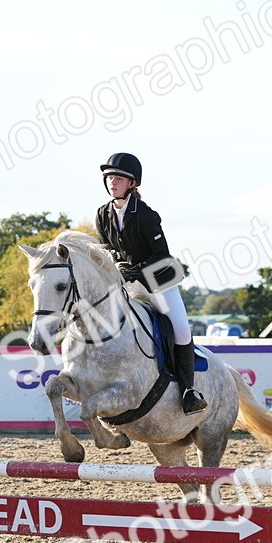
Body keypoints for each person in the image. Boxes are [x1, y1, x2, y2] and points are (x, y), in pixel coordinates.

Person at [94, 152, 206, 415]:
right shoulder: (102, 214)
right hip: (127, 280)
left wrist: (136, 270)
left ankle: (189, 391)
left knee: (181, 329)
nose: (113, 182)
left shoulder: (146, 215)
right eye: (110, 178)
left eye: (119, 178)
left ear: (132, 184)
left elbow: (162, 255)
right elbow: (105, 249)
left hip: (158, 280)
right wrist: (119, 266)